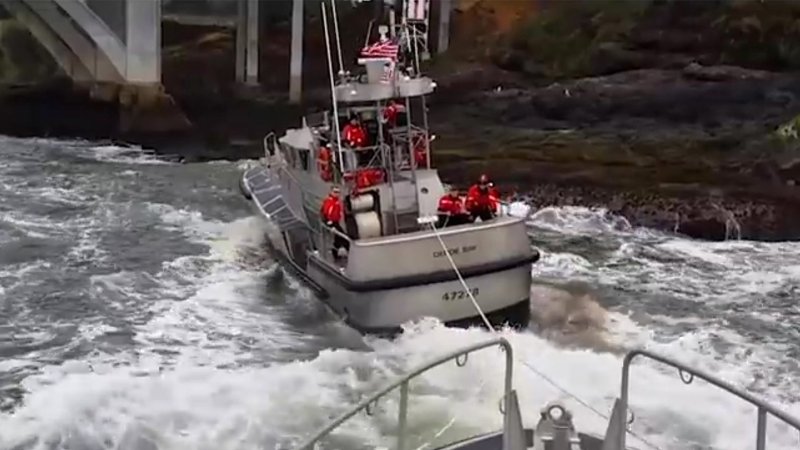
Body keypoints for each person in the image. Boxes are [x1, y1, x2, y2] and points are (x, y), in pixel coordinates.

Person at [320, 186, 349, 259]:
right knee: (343, 237)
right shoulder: (330, 201)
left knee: (338, 238)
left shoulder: (337, 201)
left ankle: (336, 252)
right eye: (335, 192)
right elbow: (326, 213)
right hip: (332, 223)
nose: (337, 194)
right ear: (331, 192)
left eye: (338, 192)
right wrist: (330, 224)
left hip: (336, 222)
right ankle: (340, 252)